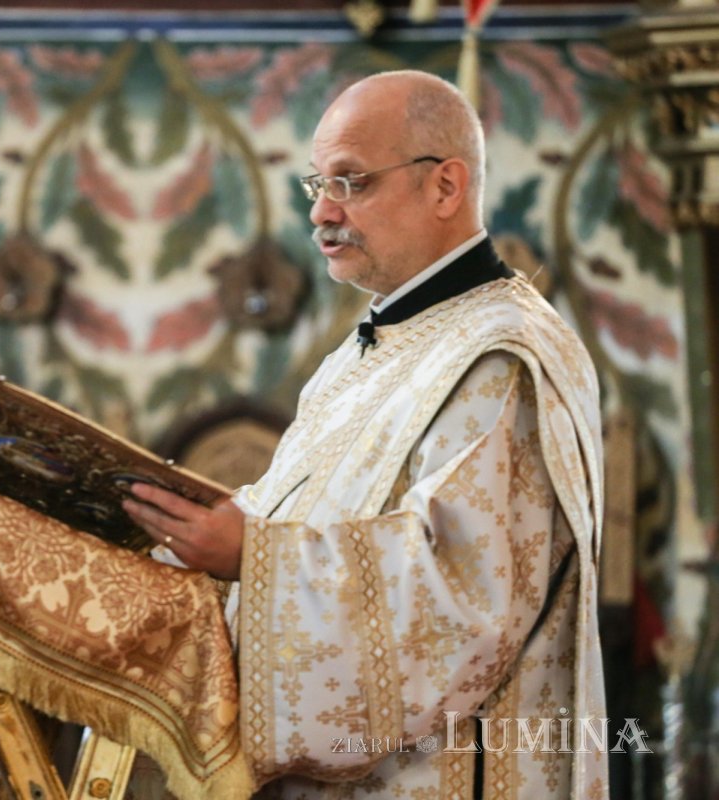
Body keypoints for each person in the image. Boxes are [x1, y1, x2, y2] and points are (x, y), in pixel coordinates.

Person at [123, 70, 607, 797]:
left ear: (444, 187)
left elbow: (456, 603)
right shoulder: (371, 348)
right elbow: (313, 514)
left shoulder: (497, 357)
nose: (320, 211)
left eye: (350, 181)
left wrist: (251, 554)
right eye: (316, 183)